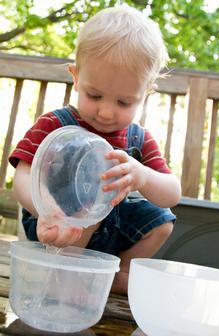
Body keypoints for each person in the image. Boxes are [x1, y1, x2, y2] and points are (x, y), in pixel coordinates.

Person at [9, 5, 181, 294]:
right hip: (55, 224)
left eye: (124, 102)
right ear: (76, 77)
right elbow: (22, 177)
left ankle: (119, 271)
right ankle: (65, 278)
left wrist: (143, 176)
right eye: (95, 95)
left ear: (146, 92)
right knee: (91, 199)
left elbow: (172, 193)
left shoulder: (138, 139)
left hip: (112, 230)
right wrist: (46, 209)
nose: (106, 112)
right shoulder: (54, 125)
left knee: (162, 221)